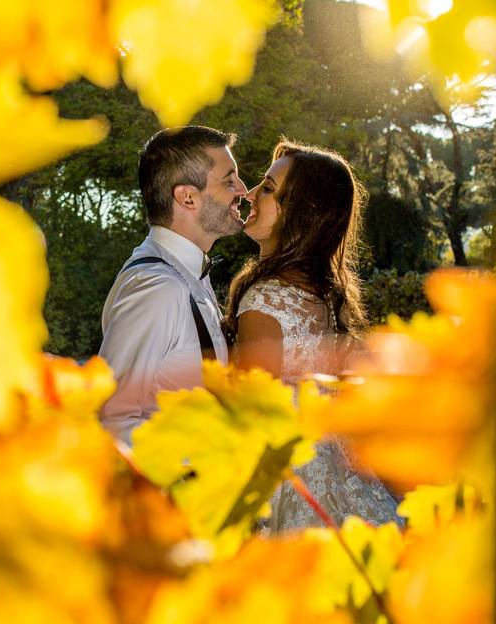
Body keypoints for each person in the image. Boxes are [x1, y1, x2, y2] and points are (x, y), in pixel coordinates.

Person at [225, 139, 401, 532]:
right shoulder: (325, 293)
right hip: (343, 483)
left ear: (301, 214)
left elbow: (254, 425)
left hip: (292, 489)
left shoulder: (264, 300)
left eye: (268, 189)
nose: (251, 194)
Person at [99, 126, 248, 446]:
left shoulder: (189, 274)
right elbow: (110, 421)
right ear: (187, 197)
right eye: (229, 180)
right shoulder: (157, 289)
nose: (243, 190)